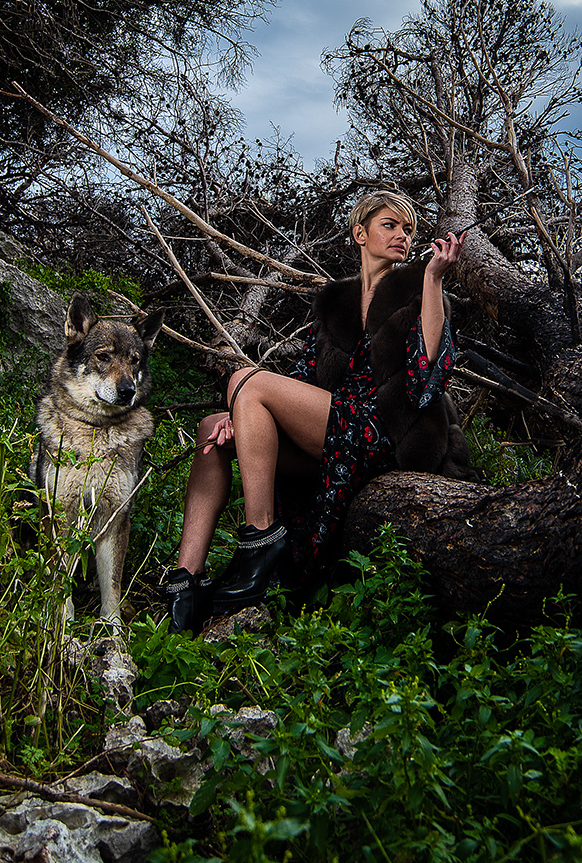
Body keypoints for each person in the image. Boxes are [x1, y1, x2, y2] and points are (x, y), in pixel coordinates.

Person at [162, 191, 465, 631]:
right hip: (330, 428)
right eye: (390, 225)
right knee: (214, 426)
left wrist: (435, 280)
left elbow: (427, 378)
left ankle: (262, 540)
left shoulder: (420, 290)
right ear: (360, 234)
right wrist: (245, 416)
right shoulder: (333, 303)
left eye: (408, 230)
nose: (402, 235)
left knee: (244, 380)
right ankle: (185, 582)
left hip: (381, 431)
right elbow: (305, 381)